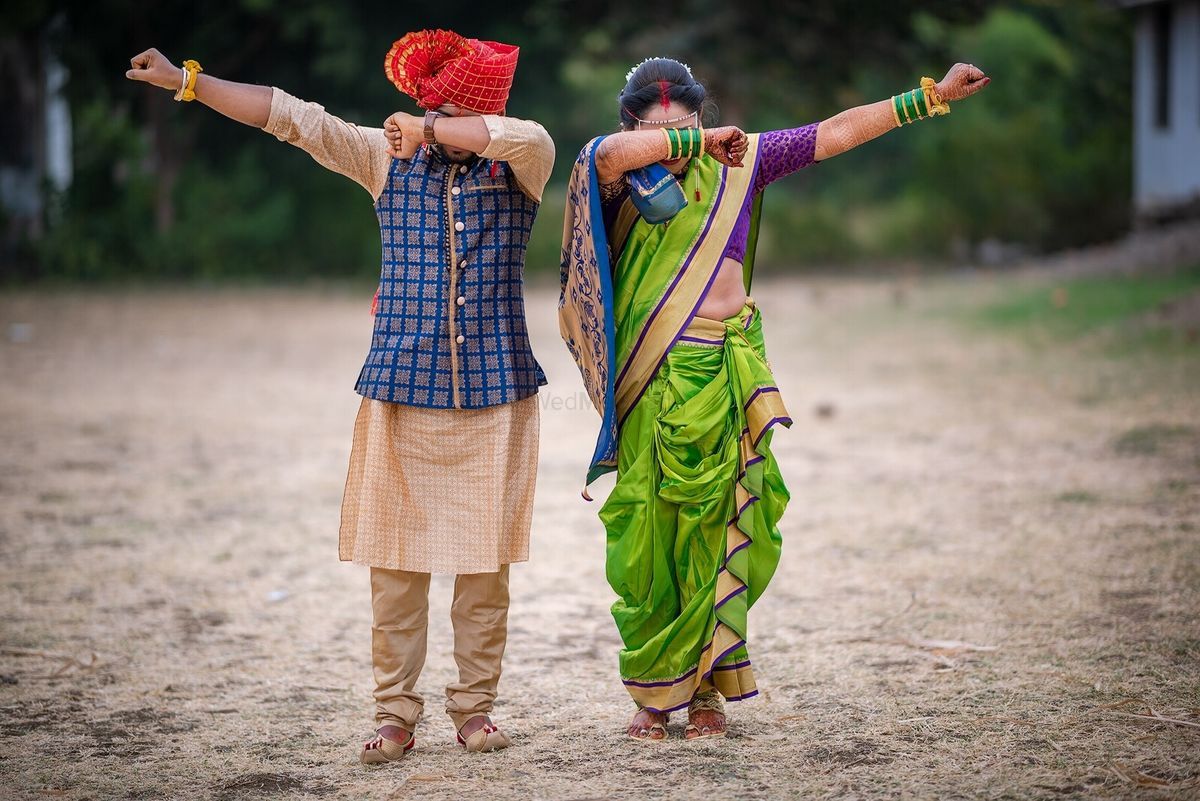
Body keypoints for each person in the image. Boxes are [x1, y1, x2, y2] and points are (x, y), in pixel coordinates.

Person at [126, 28, 555, 763]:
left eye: (453, 115)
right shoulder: (386, 161)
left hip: (494, 392)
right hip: (399, 388)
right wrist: (186, 82)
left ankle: (476, 711)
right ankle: (394, 714)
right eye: (432, 109)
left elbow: (521, 132)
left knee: (485, 572)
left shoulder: (522, 162)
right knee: (395, 568)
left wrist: (425, 124)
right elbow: (294, 117)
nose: (437, 126)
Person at [559, 57, 988, 741]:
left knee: (720, 527)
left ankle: (704, 693)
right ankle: (653, 689)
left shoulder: (742, 163)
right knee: (652, 535)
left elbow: (837, 132)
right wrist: (698, 141)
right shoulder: (613, 177)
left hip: (725, 374)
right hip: (649, 382)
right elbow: (606, 151)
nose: (678, 136)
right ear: (635, 124)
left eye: (689, 122)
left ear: (703, 114)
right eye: (661, 128)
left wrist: (928, 97)